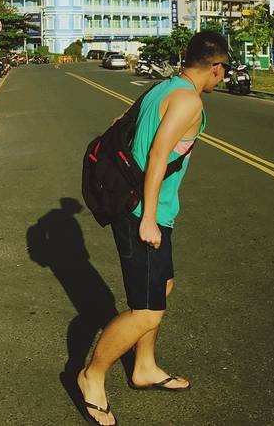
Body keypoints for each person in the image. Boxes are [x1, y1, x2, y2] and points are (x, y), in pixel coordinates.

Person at [77, 31, 230, 425]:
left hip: (153, 210)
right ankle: (91, 376)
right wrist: (147, 219)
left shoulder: (164, 88)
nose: (223, 77)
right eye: (224, 70)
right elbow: (159, 155)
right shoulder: (188, 100)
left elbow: (119, 123)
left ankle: (144, 366)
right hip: (143, 213)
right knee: (146, 312)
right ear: (216, 67)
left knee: (163, 287)